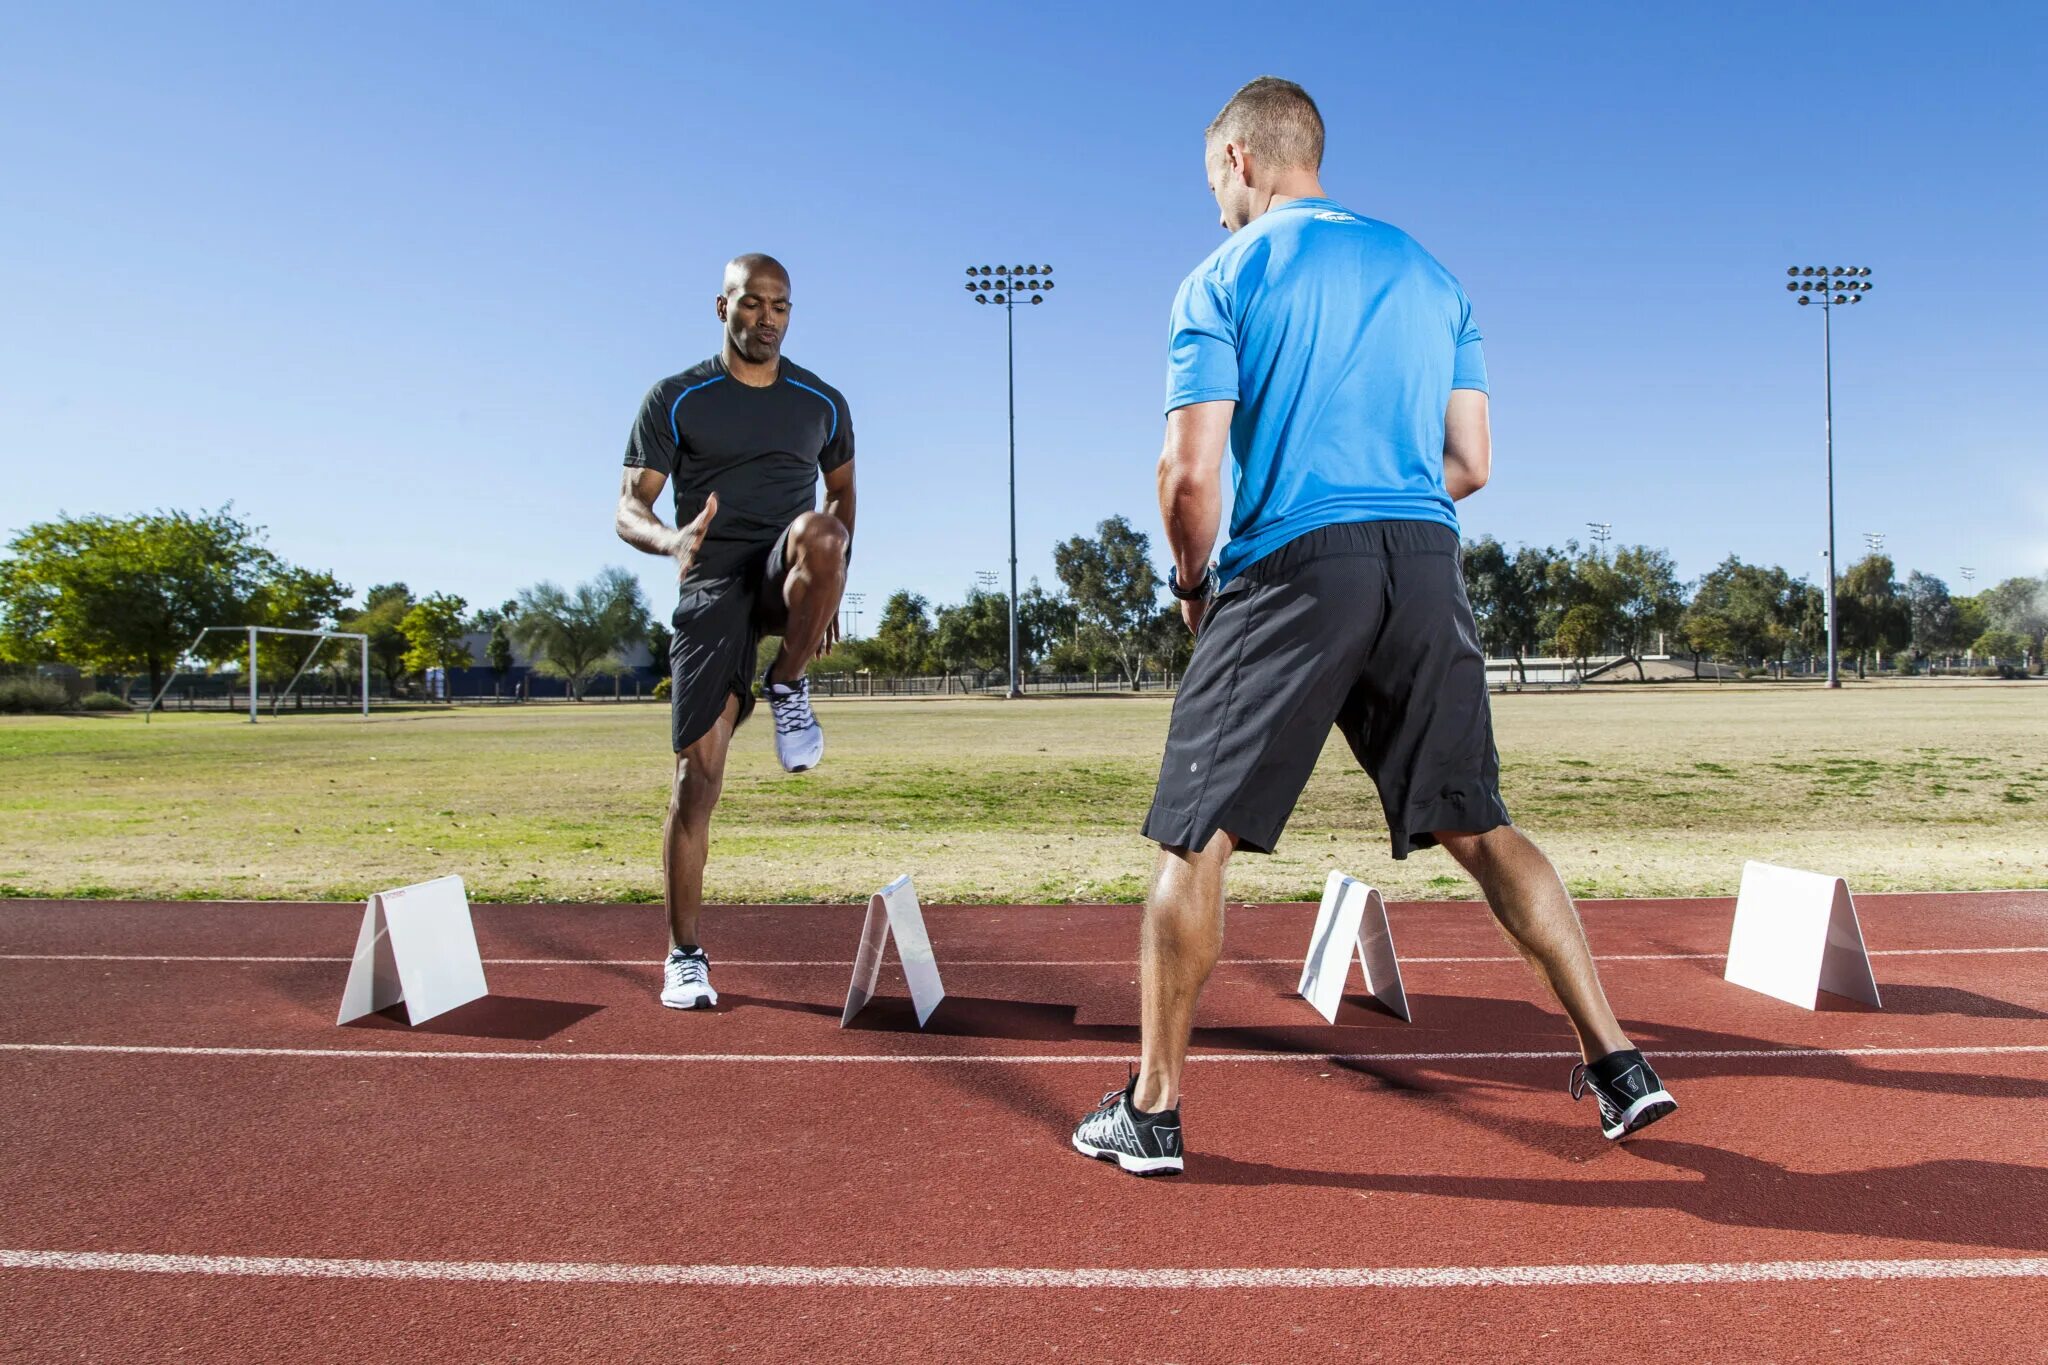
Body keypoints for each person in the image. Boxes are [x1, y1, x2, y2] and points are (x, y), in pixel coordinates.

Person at [1070, 78, 1675, 1177]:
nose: (1211, 203)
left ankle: (1149, 1110)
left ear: (1241, 159)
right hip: (1422, 558)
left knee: (1191, 836)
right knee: (1479, 825)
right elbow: (1472, 464)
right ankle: (1619, 1063)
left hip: (1290, 569)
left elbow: (1185, 471)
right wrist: (1383, 493)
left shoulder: (1222, 276)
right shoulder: (1431, 274)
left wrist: (1191, 583)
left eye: (1211, 178)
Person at [615, 253, 855, 1009]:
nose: (767, 319)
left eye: (780, 306)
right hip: (712, 581)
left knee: (822, 533)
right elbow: (628, 506)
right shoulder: (678, 398)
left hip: (782, 572)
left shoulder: (822, 400)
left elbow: (842, 493)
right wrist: (671, 541)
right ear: (721, 307)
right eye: (751, 304)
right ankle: (684, 953)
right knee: (697, 779)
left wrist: (832, 582)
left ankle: (788, 683)